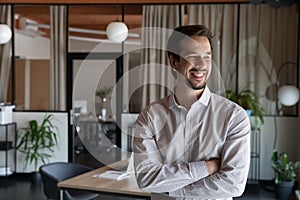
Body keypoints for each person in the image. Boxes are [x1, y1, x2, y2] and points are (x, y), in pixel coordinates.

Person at [133, 25, 251, 200]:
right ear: (173, 62)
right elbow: (146, 178)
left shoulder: (234, 116)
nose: (202, 65)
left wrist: (173, 190)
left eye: (207, 57)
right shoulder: (150, 116)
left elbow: (233, 184)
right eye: (193, 56)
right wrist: (207, 168)